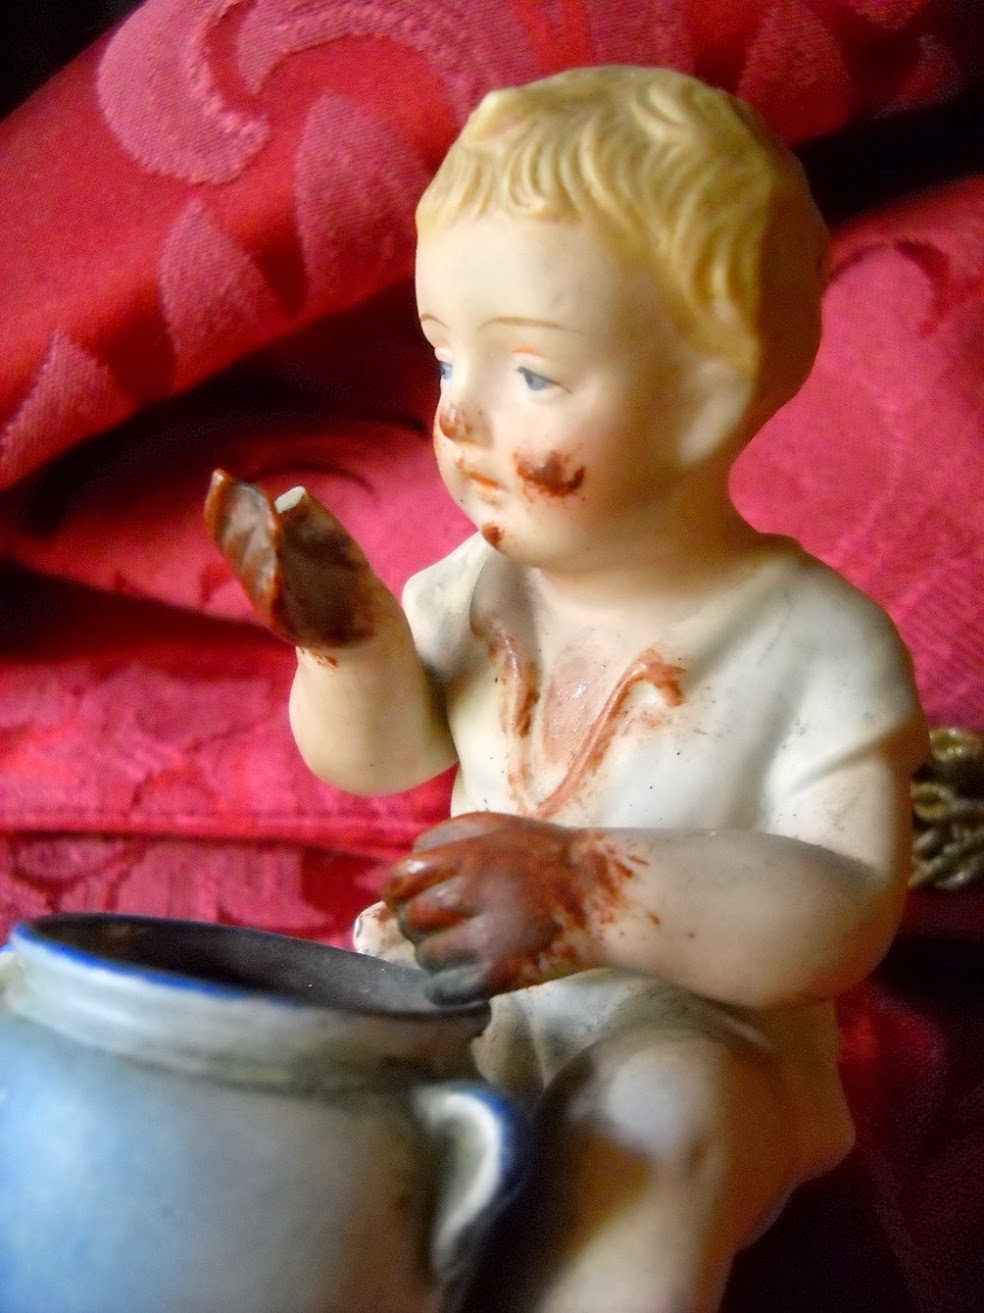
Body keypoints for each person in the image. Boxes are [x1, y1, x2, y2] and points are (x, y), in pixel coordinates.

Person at [206, 66, 927, 1313]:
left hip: (697, 1034)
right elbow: (376, 759)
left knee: (658, 1119)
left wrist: (588, 890)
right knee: (307, 1093)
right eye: (446, 359)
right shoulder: (478, 585)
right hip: (468, 999)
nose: (460, 420)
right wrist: (347, 648)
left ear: (703, 401)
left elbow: (846, 905)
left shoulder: (815, 643)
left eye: (532, 376)